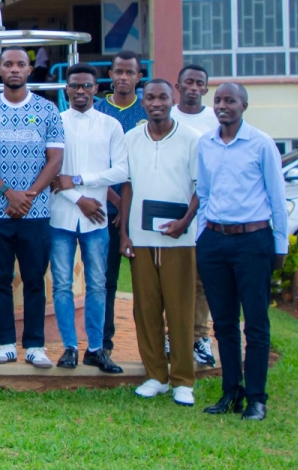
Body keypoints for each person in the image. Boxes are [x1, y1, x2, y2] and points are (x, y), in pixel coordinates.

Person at [197, 83, 287, 422]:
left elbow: (277, 199)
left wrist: (280, 246)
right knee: (223, 323)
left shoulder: (261, 144)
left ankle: (256, 398)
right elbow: (203, 194)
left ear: (244, 106)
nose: (222, 106)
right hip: (214, 241)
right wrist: (200, 237)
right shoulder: (205, 143)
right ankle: (230, 391)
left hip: (253, 241)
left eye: (230, 100)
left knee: (256, 324)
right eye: (218, 100)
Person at [0, 47, 64, 368]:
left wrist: (28, 196)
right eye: (8, 64)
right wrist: (8, 193)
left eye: (21, 65)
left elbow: (55, 160)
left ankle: (35, 345)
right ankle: (5, 344)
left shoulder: (47, 110)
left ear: (29, 70)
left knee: (34, 280)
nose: (15, 69)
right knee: (0, 280)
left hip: (36, 213)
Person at [118, 79, 202, 406]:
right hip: (141, 238)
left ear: (172, 100)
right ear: (143, 102)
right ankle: (156, 376)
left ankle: (183, 380)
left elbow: (200, 188)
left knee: (180, 311)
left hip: (179, 240)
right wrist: (124, 233)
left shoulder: (191, 139)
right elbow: (127, 187)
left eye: (162, 97)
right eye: (150, 97)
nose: (156, 103)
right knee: (146, 310)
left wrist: (184, 223)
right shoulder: (131, 139)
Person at [47, 63, 128, 374]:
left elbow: (121, 170)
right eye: (74, 86)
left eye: (86, 86)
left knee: (97, 284)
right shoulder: (55, 122)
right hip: (62, 216)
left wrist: (79, 180)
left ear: (97, 89)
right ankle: (69, 346)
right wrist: (79, 198)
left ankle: (96, 348)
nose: (80, 91)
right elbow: (53, 174)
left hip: (96, 220)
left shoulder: (111, 126)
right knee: (62, 285)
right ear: (66, 89)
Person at [94, 49, 147, 355]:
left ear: (139, 77)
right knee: (107, 281)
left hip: (145, 212)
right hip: (108, 211)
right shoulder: (99, 112)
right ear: (110, 75)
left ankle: (156, 343)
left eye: (130, 72)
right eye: (118, 72)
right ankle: (105, 343)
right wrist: (115, 200)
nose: (123, 77)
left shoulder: (150, 109)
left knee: (150, 284)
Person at [171, 63, 219, 368]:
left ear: (205, 88)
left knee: (203, 280)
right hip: (171, 211)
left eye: (199, 83)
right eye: (187, 82)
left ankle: (200, 337)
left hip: (205, 212)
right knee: (172, 279)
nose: (193, 87)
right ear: (178, 87)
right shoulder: (167, 115)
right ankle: (171, 336)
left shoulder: (215, 120)